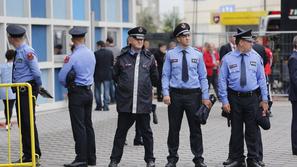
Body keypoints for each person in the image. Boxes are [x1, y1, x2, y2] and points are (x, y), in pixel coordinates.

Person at [162, 23, 211, 167]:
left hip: (193, 95)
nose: (187, 38)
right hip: (175, 95)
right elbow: (165, 75)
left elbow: (203, 77)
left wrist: (205, 96)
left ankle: (198, 159)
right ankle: (172, 158)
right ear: (178, 38)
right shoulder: (170, 54)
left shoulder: (197, 54)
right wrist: (166, 93)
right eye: (184, 36)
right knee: (173, 128)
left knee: (195, 128)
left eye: (188, 35)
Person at [108, 26, 158, 167]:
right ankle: (114, 160)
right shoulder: (121, 58)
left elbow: (155, 78)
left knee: (147, 133)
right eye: (137, 38)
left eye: (142, 39)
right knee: (120, 133)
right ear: (130, 40)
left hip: (143, 102)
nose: (140, 41)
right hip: (126, 103)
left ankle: (150, 159)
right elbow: (115, 76)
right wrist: (125, 87)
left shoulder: (149, 57)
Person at [218, 28, 268, 167]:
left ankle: (253, 159)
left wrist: (264, 99)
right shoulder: (228, 58)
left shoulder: (256, 57)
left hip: (252, 98)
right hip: (235, 99)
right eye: (249, 41)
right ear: (240, 43)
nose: (251, 44)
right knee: (236, 130)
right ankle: (238, 159)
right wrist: (224, 101)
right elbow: (221, 81)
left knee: (252, 130)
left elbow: (262, 79)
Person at [59, 27, 96, 167]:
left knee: (79, 126)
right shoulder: (91, 53)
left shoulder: (73, 56)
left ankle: (81, 159)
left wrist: (67, 84)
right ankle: (91, 158)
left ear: (73, 40)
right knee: (88, 125)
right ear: (84, 38)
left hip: (77, 93)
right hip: (88, 92)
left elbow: (62, 77)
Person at [6, 24, 42, 164]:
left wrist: (36, 88)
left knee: (27, 123)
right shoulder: (19, 51)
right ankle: (29, 154)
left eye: (9, 37)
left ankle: (33, 155)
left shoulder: (27, 51)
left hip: (27, 91)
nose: (8, 38)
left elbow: (37, 73)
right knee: (24, 123)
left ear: (12, 38)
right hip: (21, 92)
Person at [94, 40, 114, 111]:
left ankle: (98, 106)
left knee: (97, 90)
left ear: (99, 46)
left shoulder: (95, 53)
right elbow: (112, 64)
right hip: (107, 74)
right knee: (106, 90)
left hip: (97, 74)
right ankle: (106, 106)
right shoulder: (110, 53)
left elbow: (94, 65)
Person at [0, 50, 16, 130]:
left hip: (3, 89)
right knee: (10, 107)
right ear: (14, 57)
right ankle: (7, 123)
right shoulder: (15, 66)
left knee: (6, 106)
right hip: (12, 89)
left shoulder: (2, 66)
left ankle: (8, 122)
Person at [288, 35, 297, 156]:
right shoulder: (294, 58)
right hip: (296, 96)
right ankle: (295, 147)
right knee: (296, 122)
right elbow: (295, 78)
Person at [106, 36, 121, 104]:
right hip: (117, 68)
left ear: (108, 42)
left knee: (111, 85)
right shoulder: (118, 49)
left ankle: (112, 99)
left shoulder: (107, 49)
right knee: (116, 84)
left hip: (109, 68)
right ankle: (116, 98)